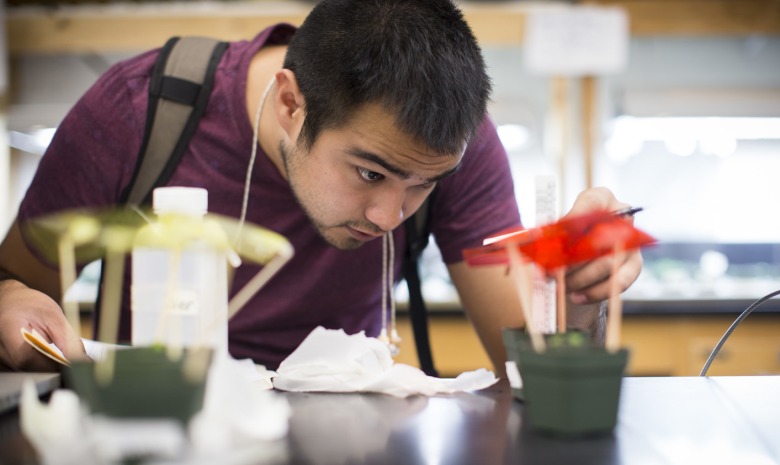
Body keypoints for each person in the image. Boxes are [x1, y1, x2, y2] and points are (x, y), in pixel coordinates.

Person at [0, 0, 642, 374]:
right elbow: (14, 284)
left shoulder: (460, 145)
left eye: (423, 185)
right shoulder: (139, 110)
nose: (391, 214)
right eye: (370, 173)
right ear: (289, 104)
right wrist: (10, 303)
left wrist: (578, 291)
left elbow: (527, 363)